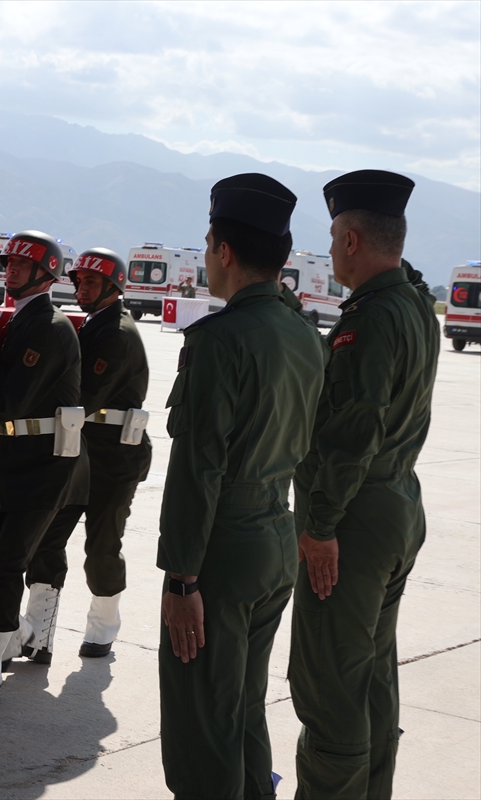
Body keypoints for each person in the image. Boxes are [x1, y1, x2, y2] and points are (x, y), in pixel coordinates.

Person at [157, 173, 325, 798]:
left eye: (208, 245)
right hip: (275, 541)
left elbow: (198, 470)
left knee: (204, 724)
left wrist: (182, 579)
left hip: (220, 554)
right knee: (243, 710)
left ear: (224, 252)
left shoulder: (221, 340)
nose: (206, 257)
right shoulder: (305, 334)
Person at [289, 170, 438, 799]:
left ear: (351, 240)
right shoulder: (414, 303)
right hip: (398, 507)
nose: (329, 252)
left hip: (352, 519)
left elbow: (355, 431)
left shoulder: (370, 319)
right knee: (372, 675)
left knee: (330, 684)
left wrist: (321, 525)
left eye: (332, 238)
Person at [19, 247, 152, 664]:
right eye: (78, 281)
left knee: (102, 544)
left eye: (92, 282)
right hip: (79, 450)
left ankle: (103, 625)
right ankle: (37, 634)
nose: (82, 288)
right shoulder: (93, 325)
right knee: (47, 538)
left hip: (114, 457)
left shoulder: (117, 334)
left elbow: (85, 397)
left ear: (114, 287)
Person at [0, 231, 86, 673]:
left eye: (23, 265)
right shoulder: (22, 319)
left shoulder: (48, 326)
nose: (12, 270)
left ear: (46, 275)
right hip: (12, 455)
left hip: (43, 464)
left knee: (4, 565)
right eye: (10, 263)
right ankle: (14, 637)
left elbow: (10, 402)